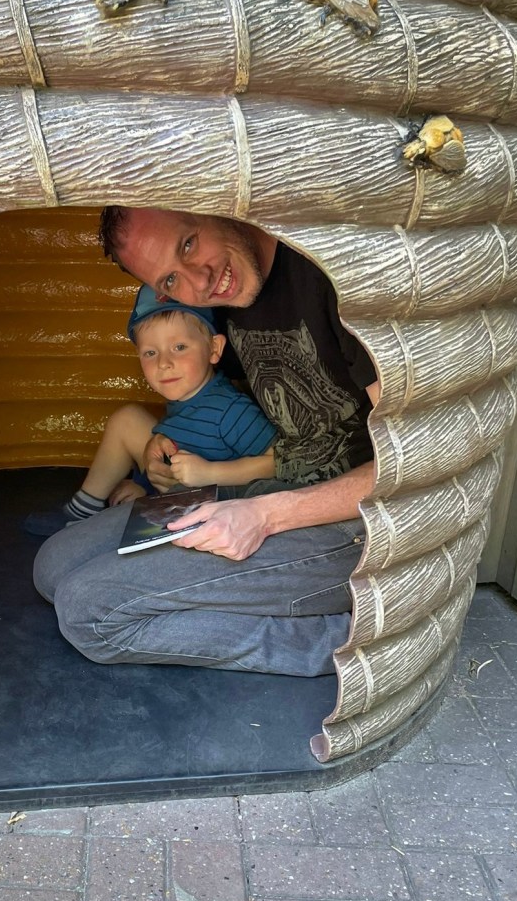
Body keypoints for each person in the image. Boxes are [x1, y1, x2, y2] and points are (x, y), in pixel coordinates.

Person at [33, 207, 381, 678]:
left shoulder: (330, 277)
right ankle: (240, 596)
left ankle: (335, 644)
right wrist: (158, 452)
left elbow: (416, 458)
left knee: (87, 612)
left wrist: (264, 515)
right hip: (259, 491)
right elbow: (212, 402)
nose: (199, 282)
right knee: (52, 567)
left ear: (215, 204)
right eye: (171, 281)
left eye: (189, 244)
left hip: (344, 524)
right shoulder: (229, 301)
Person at [24, 284, 277, 536]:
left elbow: (277, 463)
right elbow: (175, 443)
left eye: (179, 347)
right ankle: (83, 508)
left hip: (214, 509)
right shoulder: (187, 397)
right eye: (150, 352)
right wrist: (145, 485)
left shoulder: (231, 411)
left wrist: (211, 473)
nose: (164, 363)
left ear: (214, 348)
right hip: (176, 489)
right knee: (127, 419)